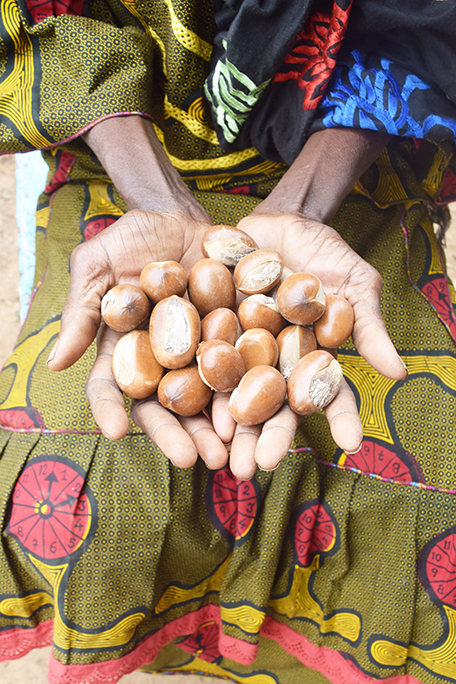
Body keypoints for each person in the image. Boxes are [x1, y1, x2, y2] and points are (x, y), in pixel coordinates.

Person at [0, 0, 456, 682]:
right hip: (122, 157)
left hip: (348, 158)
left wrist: (302, 205)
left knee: (432, 472)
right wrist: (155, 197)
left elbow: (421, 31)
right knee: (75, 491)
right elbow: (45, 28)